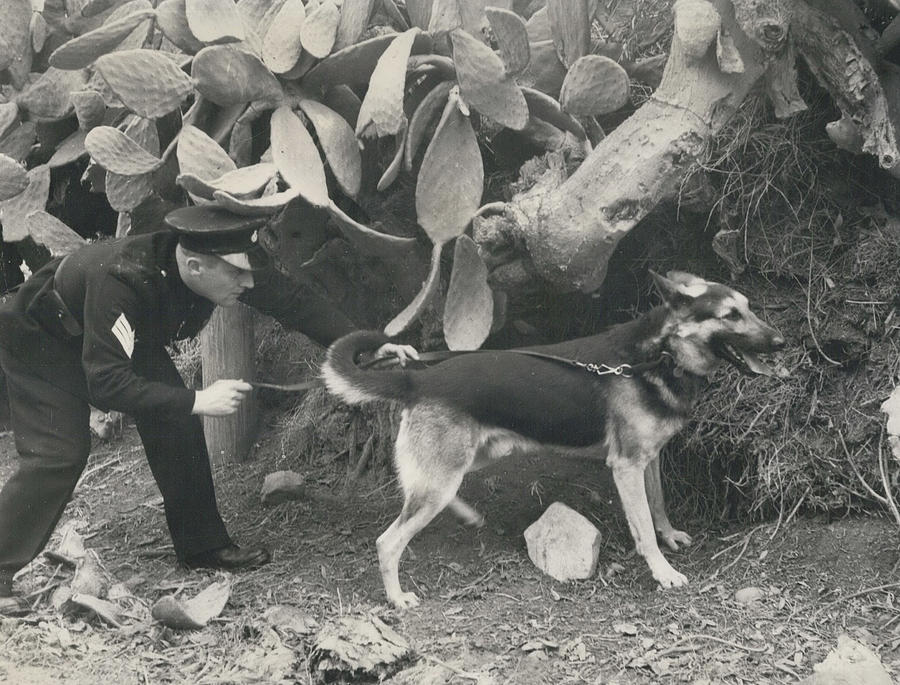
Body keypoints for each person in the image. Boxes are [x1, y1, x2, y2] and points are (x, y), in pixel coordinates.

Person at [0, 205, 416, 616]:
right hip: (45, 334)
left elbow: (294, 300)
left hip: (118, 337)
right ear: (195, 267)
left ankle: (202, 546)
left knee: (173, 417)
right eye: (237, 274)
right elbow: (106, 383)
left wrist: (366, 345)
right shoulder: (121, 280)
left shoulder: (223, 264)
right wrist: (199, 400)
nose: (248, 282)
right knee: (60, 455)